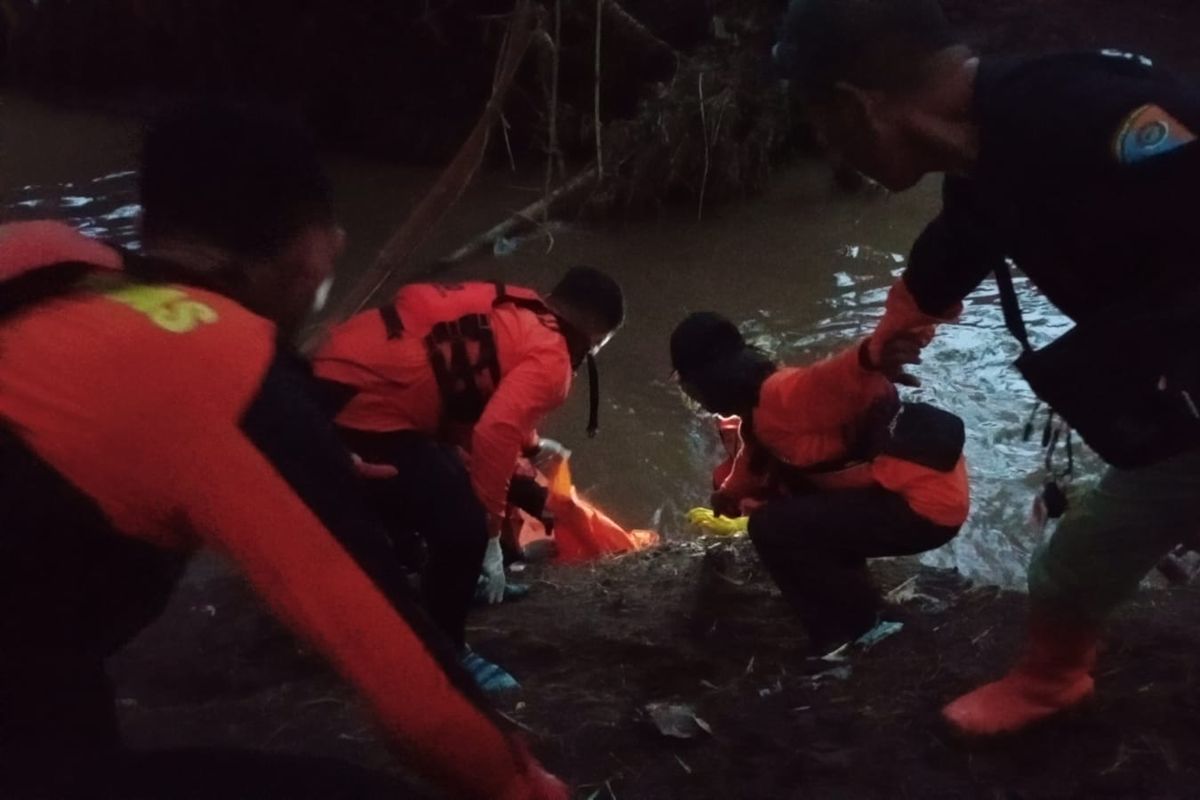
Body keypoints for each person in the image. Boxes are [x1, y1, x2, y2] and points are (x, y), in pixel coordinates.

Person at [0, 105, 566, 799]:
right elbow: (411, 694)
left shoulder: (43, 265)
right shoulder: (229, 377)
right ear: (310, 255)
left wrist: (304, 459)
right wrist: (525, 786)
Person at [775, 0, 1200, 734]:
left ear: (857, 105)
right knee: (1074, 563)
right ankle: (1051, 680)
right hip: (1184, 413)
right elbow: (947, 257)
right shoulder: (985, 166)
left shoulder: (1094, 111)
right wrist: (882, 349)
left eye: (821, 125)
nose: (829, 148)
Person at [312, 267, 624, 690]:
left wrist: (527, 456)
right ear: (597, 334)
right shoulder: (553, 359)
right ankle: (444, 652)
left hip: (334, 373)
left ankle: (449, 581)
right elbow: (493, 432)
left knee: (455, 487)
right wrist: (491, 535)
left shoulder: (517, 310)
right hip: (362, 407)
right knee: (465, 526)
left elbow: (473, 395)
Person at [670, 312, 969, 655]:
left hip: (922, 505)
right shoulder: (760, 407)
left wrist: (870, 353)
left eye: (689, 386)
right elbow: (756, 460)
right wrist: (728, 495)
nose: (693, 397)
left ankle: (860, 631)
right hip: (916, 494)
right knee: (796, 509)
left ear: (709, 382)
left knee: (773, 527)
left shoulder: (783, 394)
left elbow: (836, 378)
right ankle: (859, 607)